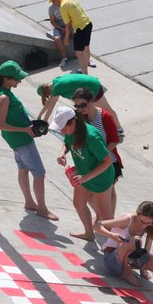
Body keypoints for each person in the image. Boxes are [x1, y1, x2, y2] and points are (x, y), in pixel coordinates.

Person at [0, 60, 57, 221]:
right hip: (21, 141)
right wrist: (25, 129)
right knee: (39, 173)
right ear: (6, 79)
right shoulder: (4, 97)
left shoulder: (4, 91)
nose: (19, 81)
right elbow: (1, 125)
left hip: (18, 140)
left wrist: (29, 125)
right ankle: (42, 208)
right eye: (16, 79)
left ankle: (29, 201)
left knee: (23, 169)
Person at [51, 106, 115, 241]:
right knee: (79, 203)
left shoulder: (91, 137)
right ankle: (89, 233)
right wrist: (62, 153)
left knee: (106, 216)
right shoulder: (70, 133)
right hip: (82, 174)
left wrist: (86, 177)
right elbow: (66, 143)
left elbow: (108, 161)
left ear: (73, 122)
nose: (62, 131)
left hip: (100, 178)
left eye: (63, 128)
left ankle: (114, 245)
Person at [72, 88, 122, 214]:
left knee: (108, 193)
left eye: (83, 105)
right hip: (92, 162)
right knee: (93, 196)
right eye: (76, 106)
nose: (80, 109)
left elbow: (115, 140)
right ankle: (105, 218)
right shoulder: (80, 118)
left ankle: (108, 219)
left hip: (108, 161)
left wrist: (101, 154)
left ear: (92, 101)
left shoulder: (104, 116)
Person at [95, 201, 153, 286]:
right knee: (135, 241)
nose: (144, 226)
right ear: (137, 214)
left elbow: (146, 251)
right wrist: (111, 235)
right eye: (141, 221)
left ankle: (128, 269)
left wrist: (143, 269)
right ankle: (126, 273)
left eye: (147, 223)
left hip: (130, 260)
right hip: (112, 259)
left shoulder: (150, 225)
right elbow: (97, 225)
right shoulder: (127, 220)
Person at [36, 74, 124, 140]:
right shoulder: (55, 82)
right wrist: (39, 116)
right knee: (85, 114)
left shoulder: (57, 87)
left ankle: (119, 130)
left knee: (106, 109)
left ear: (46, 93)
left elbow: (51, 107)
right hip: (88, 88)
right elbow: (49, 103)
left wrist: (44, 121)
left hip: (93, 87)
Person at [47, 0, 96, 75]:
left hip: (79, 28)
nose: (53, 3)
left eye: (53, 0)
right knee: (86, 47)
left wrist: (66, 38)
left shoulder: (63, 6)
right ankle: (85, 66)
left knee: (78, 53)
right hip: (88, 23)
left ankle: (85, 75)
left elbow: (68, 24)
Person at [47, 0, 72, 68]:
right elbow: (52, 21)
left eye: (53, 0)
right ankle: (64, 58)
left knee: (81, 33)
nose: (53, 2)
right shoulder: (51, 8)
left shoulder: (66, 4)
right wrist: (60, 28)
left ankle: (87, 58)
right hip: (59, 26)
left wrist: (68, 28)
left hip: (70, 24)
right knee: (57, 38)